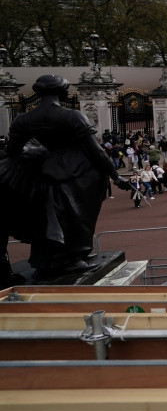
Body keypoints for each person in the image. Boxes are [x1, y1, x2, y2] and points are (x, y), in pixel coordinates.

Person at [0, 75, 130, 281]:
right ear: (62, 92)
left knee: (48, 215)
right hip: (76, 171)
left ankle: (48, 261)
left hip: (42, 170)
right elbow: (95, 150)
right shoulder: (73, 116)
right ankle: (71, 258)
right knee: (76, 215)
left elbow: (12, 151)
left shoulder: (23, 119)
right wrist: (115, 176)